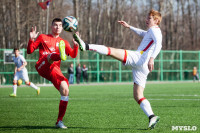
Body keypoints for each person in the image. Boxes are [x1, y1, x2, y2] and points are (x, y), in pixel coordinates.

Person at [74, 9, 162, 130]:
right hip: (142, 66)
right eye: (147, 17)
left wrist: (152, 58)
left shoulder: (154, 30)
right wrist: (129, 27)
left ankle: (85, 46)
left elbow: (159, 44)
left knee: (111, 51)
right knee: (138, 95)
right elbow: (143, 33)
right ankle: (152, 116)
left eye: (149, 18)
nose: (146, 20)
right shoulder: (151, 31)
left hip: (140, 58)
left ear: (156, 21)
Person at [27, 18, 79, 129]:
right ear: (51, 26)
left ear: (63, 27)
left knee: (65, 90)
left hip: (54, 70)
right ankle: (60, 55)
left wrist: (76, 46)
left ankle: (59, 121)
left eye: (60, 25)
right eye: (55, 25)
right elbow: (30, 51)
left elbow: (73, 55)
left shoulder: (63, 42)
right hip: (42, 65)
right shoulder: (42, 37)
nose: (58, 27)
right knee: (49, 56)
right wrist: (31, 39)